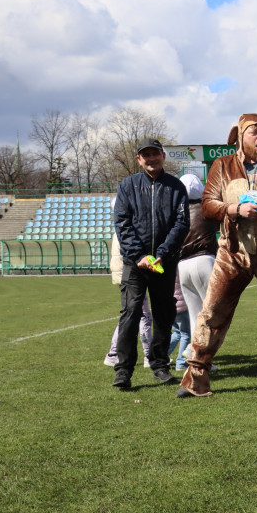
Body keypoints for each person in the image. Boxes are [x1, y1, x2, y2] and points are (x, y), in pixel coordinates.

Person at [177, 113, 257, 398]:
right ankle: (195, 378)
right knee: (212, 314)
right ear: (239, 137)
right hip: (232, 254)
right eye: (254, 133)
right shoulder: (222, 165)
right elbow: (209, 206)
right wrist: (235, 210)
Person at [111, 138, 189, 389]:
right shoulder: (128, 185)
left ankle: (159, 366)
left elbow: (181, 224)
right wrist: (140, 255)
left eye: (155, 154)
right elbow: (122, 222)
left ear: (163, 156)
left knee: (164, 314)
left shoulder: (176, 186)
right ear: (139, 159)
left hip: (163, 263)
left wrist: (161, 255)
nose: (151, 159)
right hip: (135, 263)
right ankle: (123, 371)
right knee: (130, 313)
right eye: (146, 155)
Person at [104, 195, 153, 368]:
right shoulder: (126, 228)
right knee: (143, 316)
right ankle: (149, 356)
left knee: (130, 314)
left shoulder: (121, 227)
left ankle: (113, 353)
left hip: (123, 275)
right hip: (129, 276)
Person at [176, 173, 219, 337]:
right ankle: (204, 358)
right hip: (204, 260)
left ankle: (195, 356)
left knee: (195, 316)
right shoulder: (207, 208)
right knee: (213, 315)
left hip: (183, 265)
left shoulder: (176, 212)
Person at [168, 271, 190, 370]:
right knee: (186, 334)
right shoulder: (178, 266)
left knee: (177, 333)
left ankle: (161, 356)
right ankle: (181, 363)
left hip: (171, 305)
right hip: (181, 305)